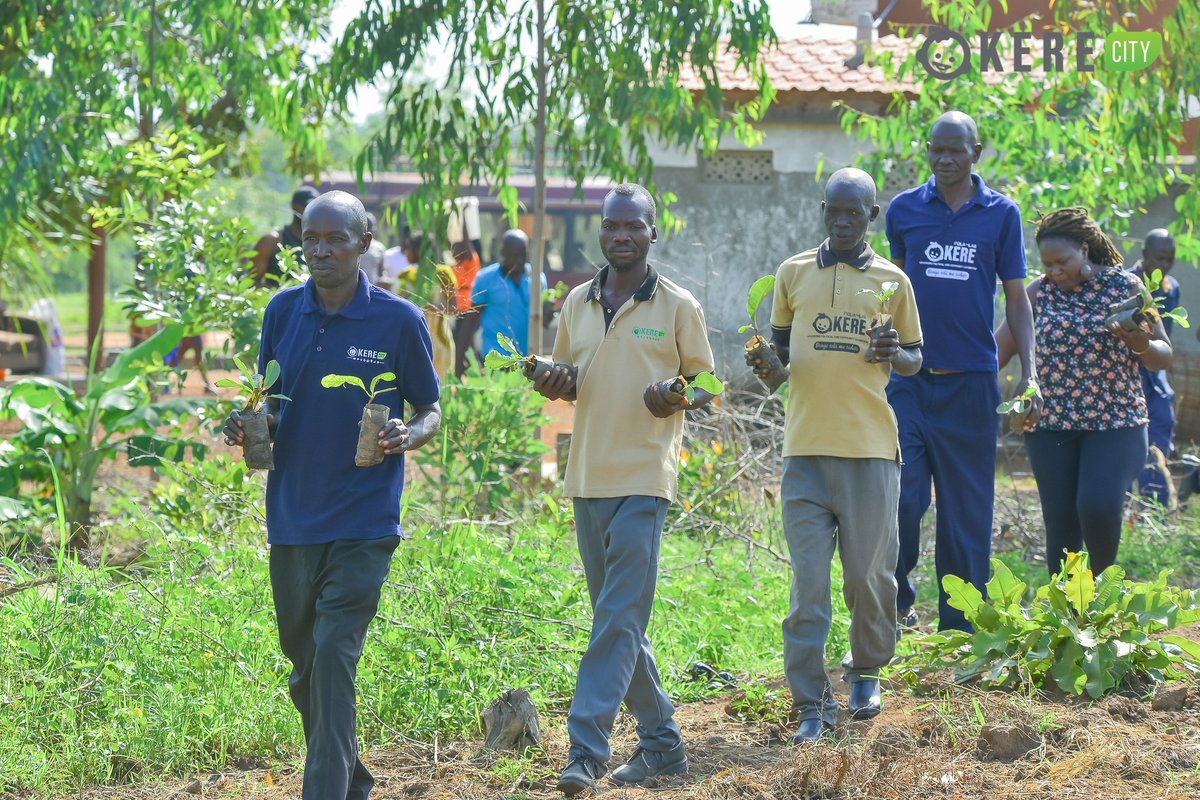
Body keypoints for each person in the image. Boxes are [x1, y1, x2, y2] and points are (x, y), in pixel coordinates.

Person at [222, 190, 441, 800]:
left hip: (364, 519)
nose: (319, 250)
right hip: (292, 516)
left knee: (334, 654)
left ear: (364, 244)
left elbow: (431, 408)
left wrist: (408, 433)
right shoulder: (281, 312)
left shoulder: (398, 320)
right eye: (309, 238)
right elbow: (265, 396)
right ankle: (353, 778)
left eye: (334, 239)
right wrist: (243, 422)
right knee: (304, 667)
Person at [534, 184, 718, 794]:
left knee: (616, 619)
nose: (620, 235)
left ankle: (584, 751)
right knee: (619, 623)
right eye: (611, 226)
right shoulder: (577, 304)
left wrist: (674, 394)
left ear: (651, 232)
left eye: (632, 226)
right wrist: (554, 382)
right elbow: (572, 383)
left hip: (644, 478)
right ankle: (664, 746)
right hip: (588, 477)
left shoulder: (676, 305)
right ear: (601, 233)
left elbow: (708, 389)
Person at [748, 169, 922, 742]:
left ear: (872, 215)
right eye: (835, 210)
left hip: (871, 450)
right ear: (824, 210)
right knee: (808, 586)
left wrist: (894, 351)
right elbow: (778, 359)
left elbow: (915, 359)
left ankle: (867, 668)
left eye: (856, 212)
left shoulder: (892, 281)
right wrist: (768, 368)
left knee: (870, 576)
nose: (844, 220)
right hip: (805, 452)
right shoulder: (792, 274)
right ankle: (810, 702)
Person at [884, 110, 1040, 633]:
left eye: (957, 149)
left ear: (977, 153)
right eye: (937, 149)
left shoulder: (1001, 214)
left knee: (966, 516)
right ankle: (897, 596)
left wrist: (1029, 372)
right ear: (927, 151)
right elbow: (892, 294)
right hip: (908, 380)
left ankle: (960, 630)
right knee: (901, 498)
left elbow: (1017, 303)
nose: (946, 158)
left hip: (974, 384)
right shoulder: (905, 211)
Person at [996, 208, 1167, 576]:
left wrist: (1140, 340)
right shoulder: (1039, 293)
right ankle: (1068, 612)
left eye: (1062, 262)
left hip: (1116, 421)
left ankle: (1105, 590)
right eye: (1047, 264)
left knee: (1098, 504)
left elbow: (1162, 356)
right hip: (1051, 426)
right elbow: (997, 352)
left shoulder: (1127, 288)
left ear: (1085, 250)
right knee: (1060, 522)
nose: (1055, 271)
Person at [1130, 229, 1179, 506]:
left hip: (1155, 377)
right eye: (1160, 257)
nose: (1165, 264)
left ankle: (1154, 506)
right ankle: (1122, 503)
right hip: (1127, 374)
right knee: (1126, 439)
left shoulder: (1171, 288)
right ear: (1146, 254)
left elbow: (1165, 341)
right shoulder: (1125, 283)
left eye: (1170, 259)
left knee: (1161, 427)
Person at [472, 229, 547, 360]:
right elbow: (469, 322)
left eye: (521, 255)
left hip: (529, 362)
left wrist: (551, 310)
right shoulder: (485, 279)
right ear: (503, 253)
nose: (518, 260)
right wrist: (461, 361)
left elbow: (543, 322)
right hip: (497, 361)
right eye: (513, 255)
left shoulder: (538, 280)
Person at [252, 185, 320, 288]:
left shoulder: (321, 243)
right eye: (308, 206)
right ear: (294, 207)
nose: (312, 212)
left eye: (315, 208)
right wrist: (284, 296)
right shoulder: (272, 240)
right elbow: (250, 283)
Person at [450, 235, 482, 377]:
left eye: (457, 248)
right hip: (459, 312)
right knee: (461, 343)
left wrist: (462, 217)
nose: (454, 251)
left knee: (465, 342)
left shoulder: (470, 261)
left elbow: (465, 241)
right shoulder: (455, 267)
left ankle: (469, 369)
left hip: (470, 310)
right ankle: (468, 369)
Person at [360, 212, 390, 290]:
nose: (371, 229)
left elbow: (382, 272)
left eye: (372, 227)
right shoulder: (354, 246)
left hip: (373, 290)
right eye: (368, 227)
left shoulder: (379, 248)